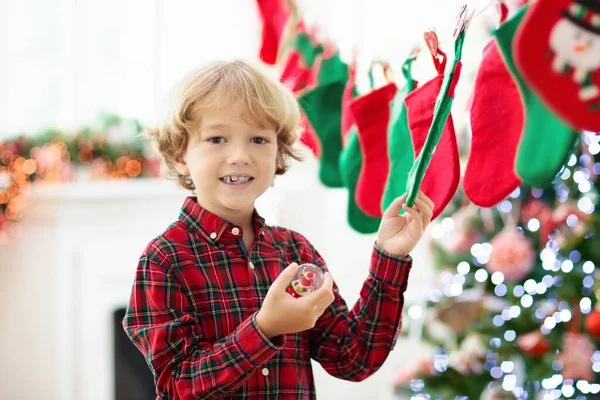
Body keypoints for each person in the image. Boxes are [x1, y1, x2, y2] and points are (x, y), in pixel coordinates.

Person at [122, 59, 435, 399]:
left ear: (279, 152)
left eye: (258, 139)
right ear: (181, 155)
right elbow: (177, 387)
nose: (240, 155)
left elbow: (353, 357)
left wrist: (390, 256)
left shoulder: (294, 251)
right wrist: (264, 329)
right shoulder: (165, 259)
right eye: (217, 139)